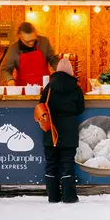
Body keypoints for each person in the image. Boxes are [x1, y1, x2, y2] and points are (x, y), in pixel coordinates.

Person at [39, 58, 85, 203]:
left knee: (51, 162)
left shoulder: (49, 87)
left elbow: (41, 105)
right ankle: (69, 196)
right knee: (67, 162)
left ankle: (53, 197)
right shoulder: (76, 88)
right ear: (71, 71)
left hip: (50, 130)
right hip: (69, 130)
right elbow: (80, 109)